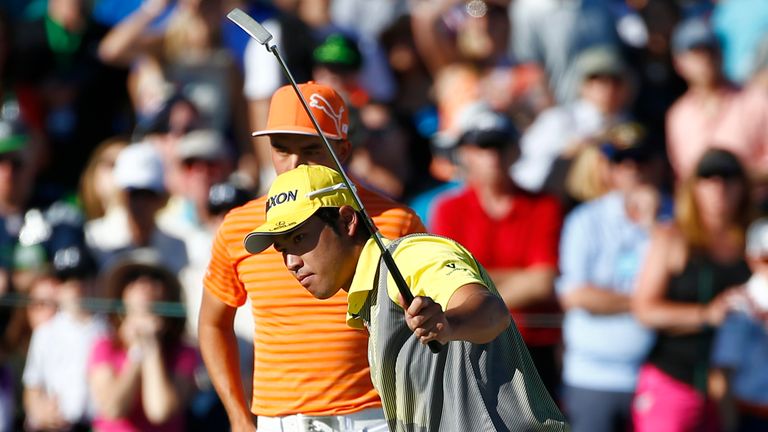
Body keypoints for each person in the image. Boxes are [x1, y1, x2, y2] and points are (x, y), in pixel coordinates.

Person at [243, 164, 569, 431]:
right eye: (282, 248)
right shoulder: (367, 297)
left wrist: (449, 322)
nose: (291, 262)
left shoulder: (410, 256)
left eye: (299, 238)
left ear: (347, 220)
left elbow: (491, 311)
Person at [198, 82, 425, 432]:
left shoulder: (396, 220)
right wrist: (238, 416)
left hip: (378, 417)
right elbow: (213, 323)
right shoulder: (238, 226)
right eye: (280, 149)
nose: (293, 163)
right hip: (282, 420)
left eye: (311, 149)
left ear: (344, 149)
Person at [429, 102, 564, 400]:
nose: (492, 157)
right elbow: (446, 283)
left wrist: (477, 290)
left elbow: (541, 283)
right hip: (471, 346)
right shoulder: (450, 210)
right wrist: (518, 279)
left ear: (515, 151)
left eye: (499, 146)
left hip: (532, 348)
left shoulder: (544, 206)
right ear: (465, 154)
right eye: (482, 147)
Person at [632, 148, 755, 432]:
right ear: (693, 187)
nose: (719, 187)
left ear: (743, 186)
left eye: (728, 177)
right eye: (708, 177)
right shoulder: (673, 237)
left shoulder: (755, 240)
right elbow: (645, 310)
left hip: (736, 389)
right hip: (676, 378)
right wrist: (706, 314)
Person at [556, 128, 663, 432]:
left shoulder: (674, 220)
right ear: (610, 170)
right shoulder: (584, 220)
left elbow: (685, 288)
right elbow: (575, 295)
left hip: (658, 376)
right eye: (622, 162)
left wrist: (654, 227)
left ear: (657, 165)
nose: (633, 170)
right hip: (592, 376)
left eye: (641, 160)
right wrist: (649, 304)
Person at [87, 248, 198, 432]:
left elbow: (160, 411)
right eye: (134, 278)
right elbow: (114, 409)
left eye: (154, 278)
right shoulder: (104, 345)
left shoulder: (184, 352)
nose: (143, 284)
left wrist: (151, 346)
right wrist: (137, 353)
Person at [22, 244, 108, 432]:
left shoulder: (110, 330)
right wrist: (41, 413)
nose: (75, 287)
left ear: (96, 282)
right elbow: (32, 387)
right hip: (60, 425)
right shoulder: (45, 333)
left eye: (81, 278)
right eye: (66, 280)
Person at [710, 217, 768, 431]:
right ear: (751, 259)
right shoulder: (738, 304)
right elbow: (722, 372)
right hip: (752, 416)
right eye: (766, 259)